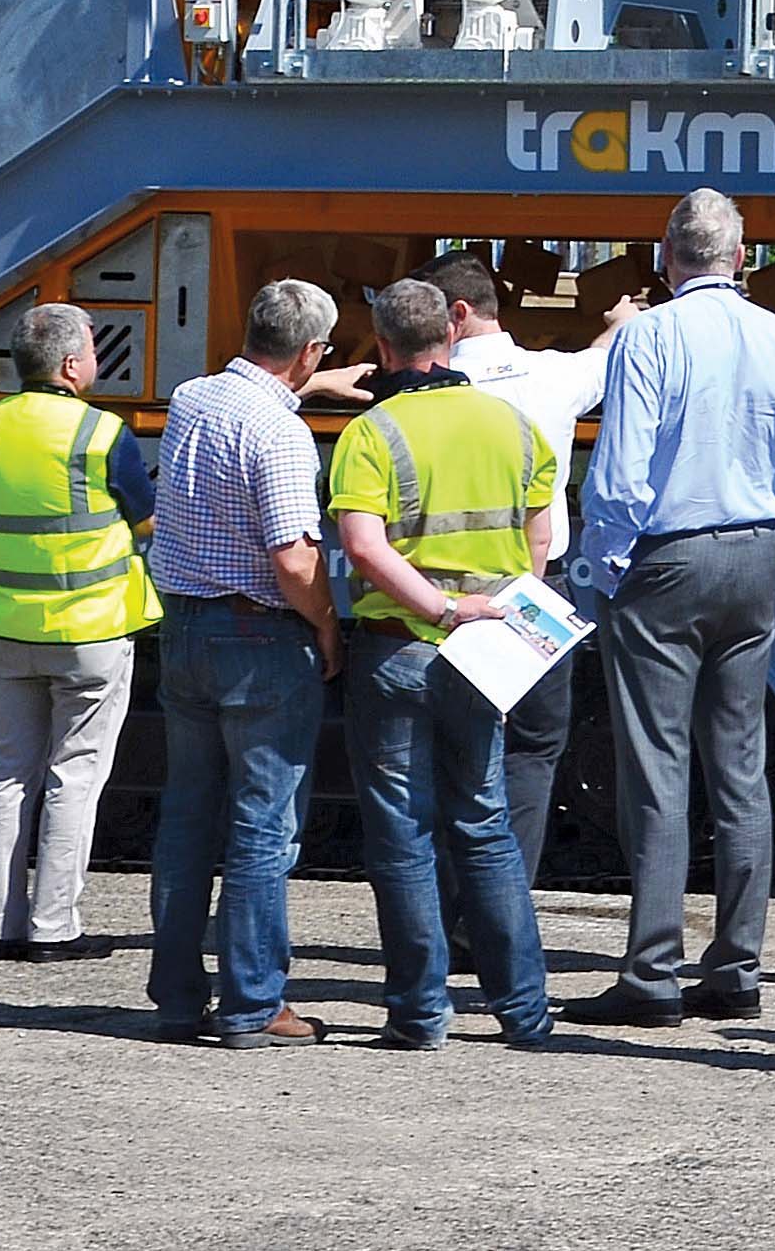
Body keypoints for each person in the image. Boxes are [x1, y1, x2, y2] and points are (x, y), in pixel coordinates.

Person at [563, 188, 775, 1028]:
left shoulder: (647, 336)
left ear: (663, 256)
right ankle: (736, 967)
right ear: (742, 257)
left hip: (666, 559)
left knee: (656, 765)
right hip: (753, 555)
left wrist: (604, 563)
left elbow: (620, 472)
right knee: (741, 764)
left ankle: (651, 973)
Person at [323, 278, 559, 1050]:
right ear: (450, 341)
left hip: (399, 648)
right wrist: (493, 613)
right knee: (484, 823)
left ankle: (422, 1014)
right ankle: (524, 1011)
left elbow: (363, 545)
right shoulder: (514, 428)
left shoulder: (372, 433)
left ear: (384, 349)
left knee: (402, 836)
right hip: (484, 653)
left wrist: (438, 608)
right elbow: (540, 542)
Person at [143, 279, 344, 1047]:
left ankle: (174, 998)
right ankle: (253, 1004)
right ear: (309, 351)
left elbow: (253, 390)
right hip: (260, 639)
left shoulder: (194, 397)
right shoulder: (283, 435)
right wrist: (326, 625)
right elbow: (292, 557)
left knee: (188, 818)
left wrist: (312, 380)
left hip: (186, 629)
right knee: (262, 826)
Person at [0, 302, 159, 960]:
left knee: (7, 769)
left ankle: (1, 926)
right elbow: (146, 518)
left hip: (10, 623)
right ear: (72, 365)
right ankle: (53, 927)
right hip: (90, 630)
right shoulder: (102, 434)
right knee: (74, 774)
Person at [420, 250, 601, 884]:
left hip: (445, 593)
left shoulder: (428, 388)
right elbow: (603, 359)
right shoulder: (556, 377)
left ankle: (449, 903)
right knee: (533, 748)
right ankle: (503, 905)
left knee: (453, 751)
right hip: (533, 587)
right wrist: (624, 318)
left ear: (457, 314)